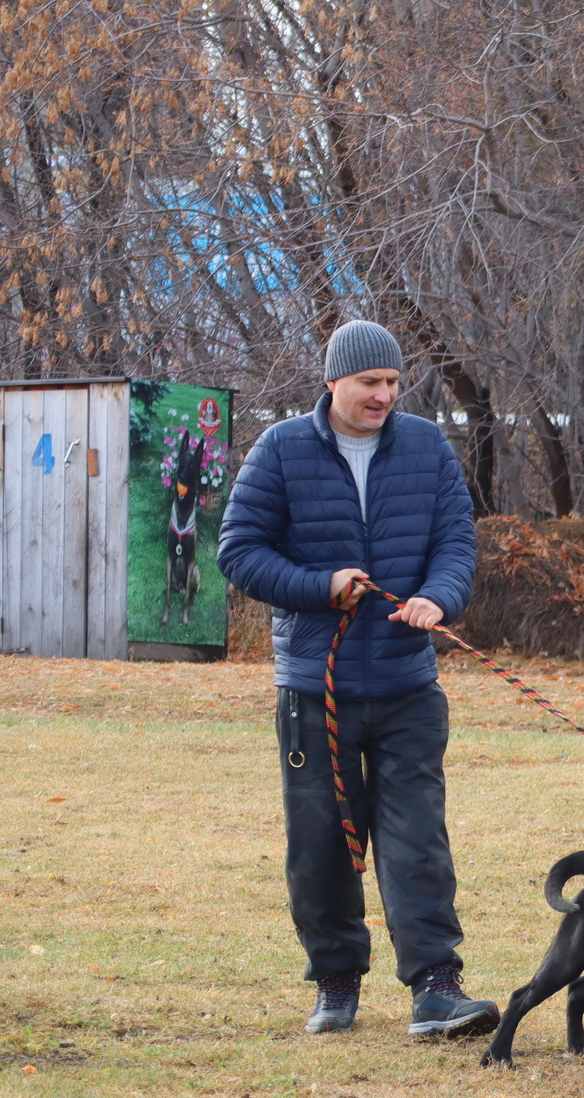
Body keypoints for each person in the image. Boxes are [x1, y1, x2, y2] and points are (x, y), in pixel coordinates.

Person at [218, 320, 498, 1038]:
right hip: (316, 688)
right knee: (319, 843)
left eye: (393, 383)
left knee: (417, 840)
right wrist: (321, 585)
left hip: (409, 684)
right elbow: (239, 551)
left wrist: (441, 595)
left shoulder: (427, 447)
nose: (384, 395)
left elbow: (456, 540)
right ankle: (336, 983)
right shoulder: (281, 449)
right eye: (370, 382)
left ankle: (437, 987)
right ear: (334, 381)